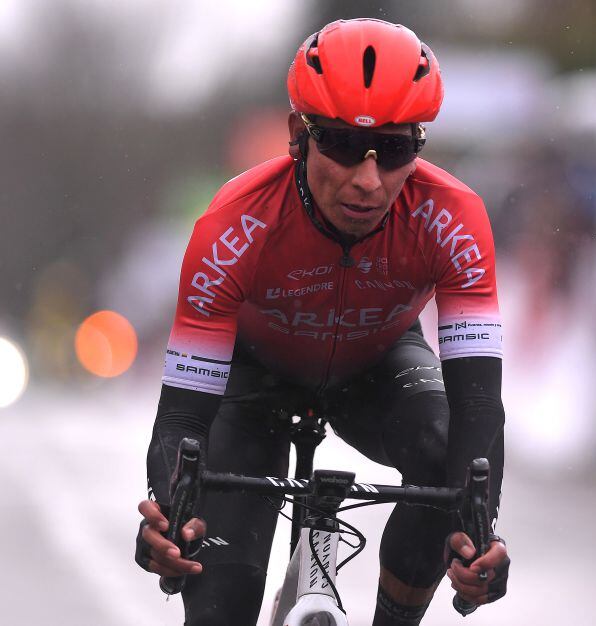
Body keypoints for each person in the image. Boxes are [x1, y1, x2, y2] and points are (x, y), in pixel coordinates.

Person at [134, 18, 510, 626]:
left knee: (447, 459)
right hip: (254, 379)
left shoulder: (453, 217)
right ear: (297, 136)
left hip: (378, 365)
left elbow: (479, 406)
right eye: (341, 144)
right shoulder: (232, 226)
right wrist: (168, 517)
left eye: (394, 151)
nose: (368, 181)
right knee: (219, 603)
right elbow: (182, 417)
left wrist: (479, 535)